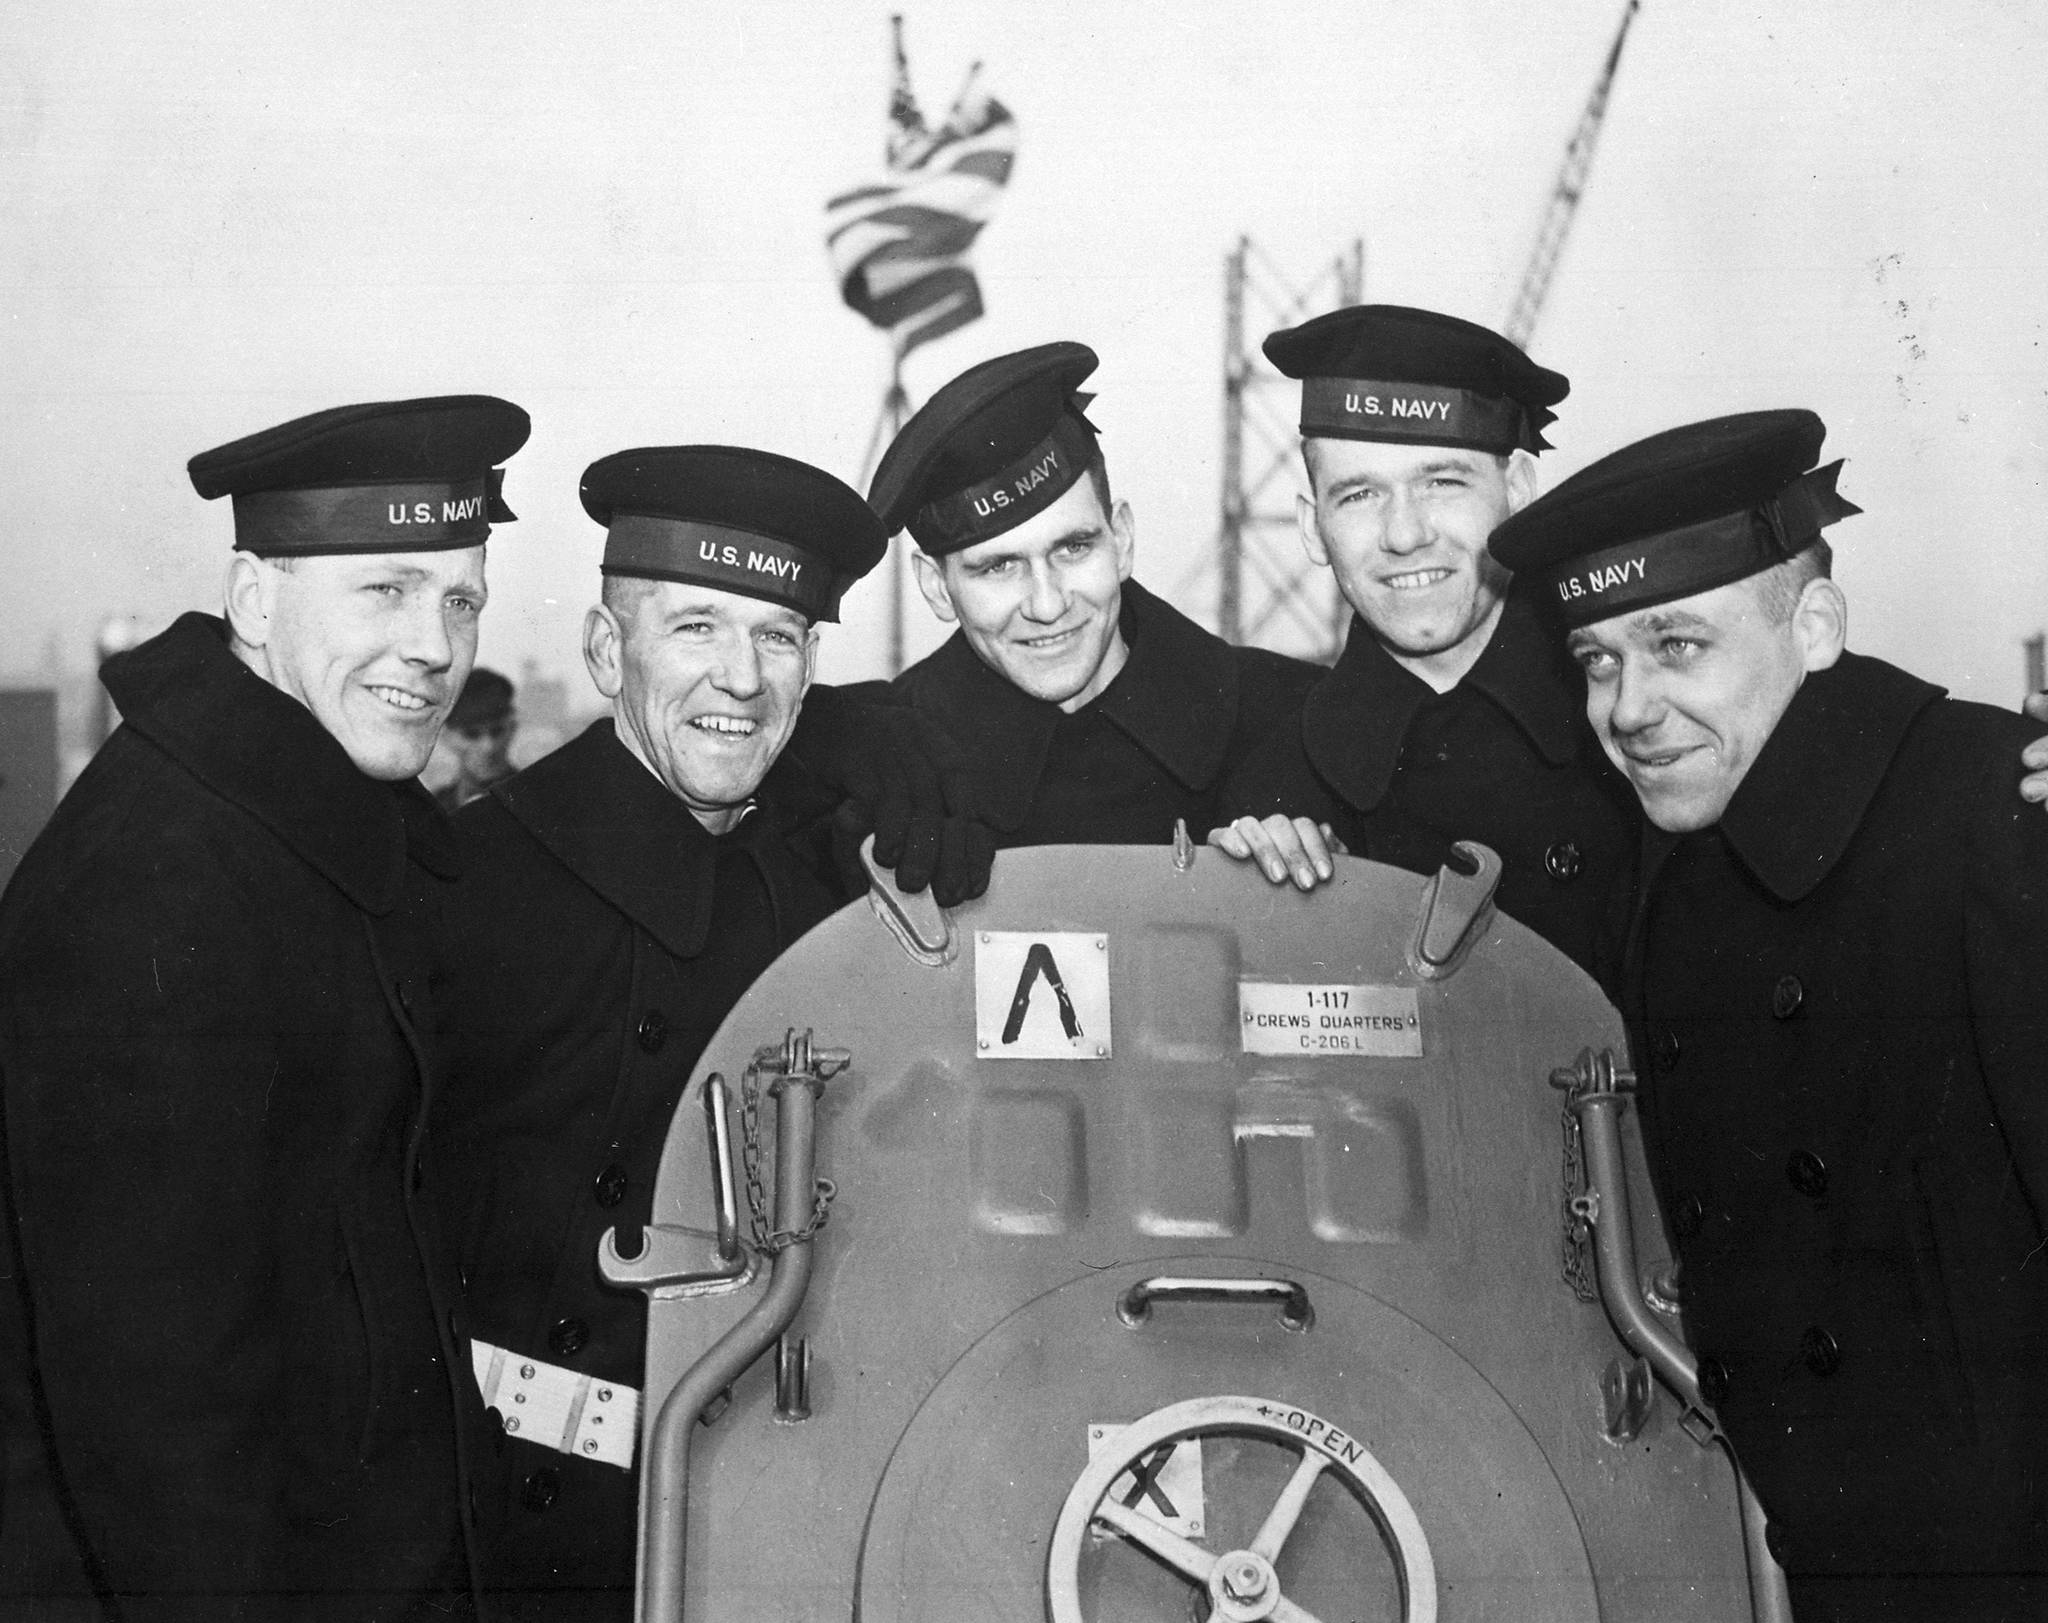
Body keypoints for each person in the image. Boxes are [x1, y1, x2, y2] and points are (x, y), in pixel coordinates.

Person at [1490, 408, 2048, 1620]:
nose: (1627, 706)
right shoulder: (1685, 872)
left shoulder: (1995, 811)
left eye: (1676, 643)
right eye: (1596, 658)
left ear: (1814, 625)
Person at [0, 394, 527, 1617]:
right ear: (253, 602)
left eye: (460, 600)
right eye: (383, 592)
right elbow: (160, 1421)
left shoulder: (302, 822)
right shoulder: (162, 877)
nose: (434, 647)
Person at [431, 445, 890, 1620]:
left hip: (775, 1514)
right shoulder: (457, 884)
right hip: (508, 1528)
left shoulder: (846, 898)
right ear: (603, 652)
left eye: (778, 637)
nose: (739, 678)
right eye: (695, 628)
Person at [1211, 305, 1641, 981]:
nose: (1404, 534)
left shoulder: (1634, 716)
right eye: (1358, 495)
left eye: (1442, 482)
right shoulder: (1277, 792)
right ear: (1311, 528)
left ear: (1520, 493)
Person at [862, 341, 1322, 845]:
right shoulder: (881, 770)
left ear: (1121, 539)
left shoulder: (1298, 723)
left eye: (1073, 548)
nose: (1048, 604)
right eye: (999, 567)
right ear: (937, 588)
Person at [433, 665, 518, 811]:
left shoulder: (540, 799)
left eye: (497, 731)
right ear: (446, 736)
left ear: (513, 728)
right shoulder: (431, 812)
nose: (489, 747)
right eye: (471, 735)